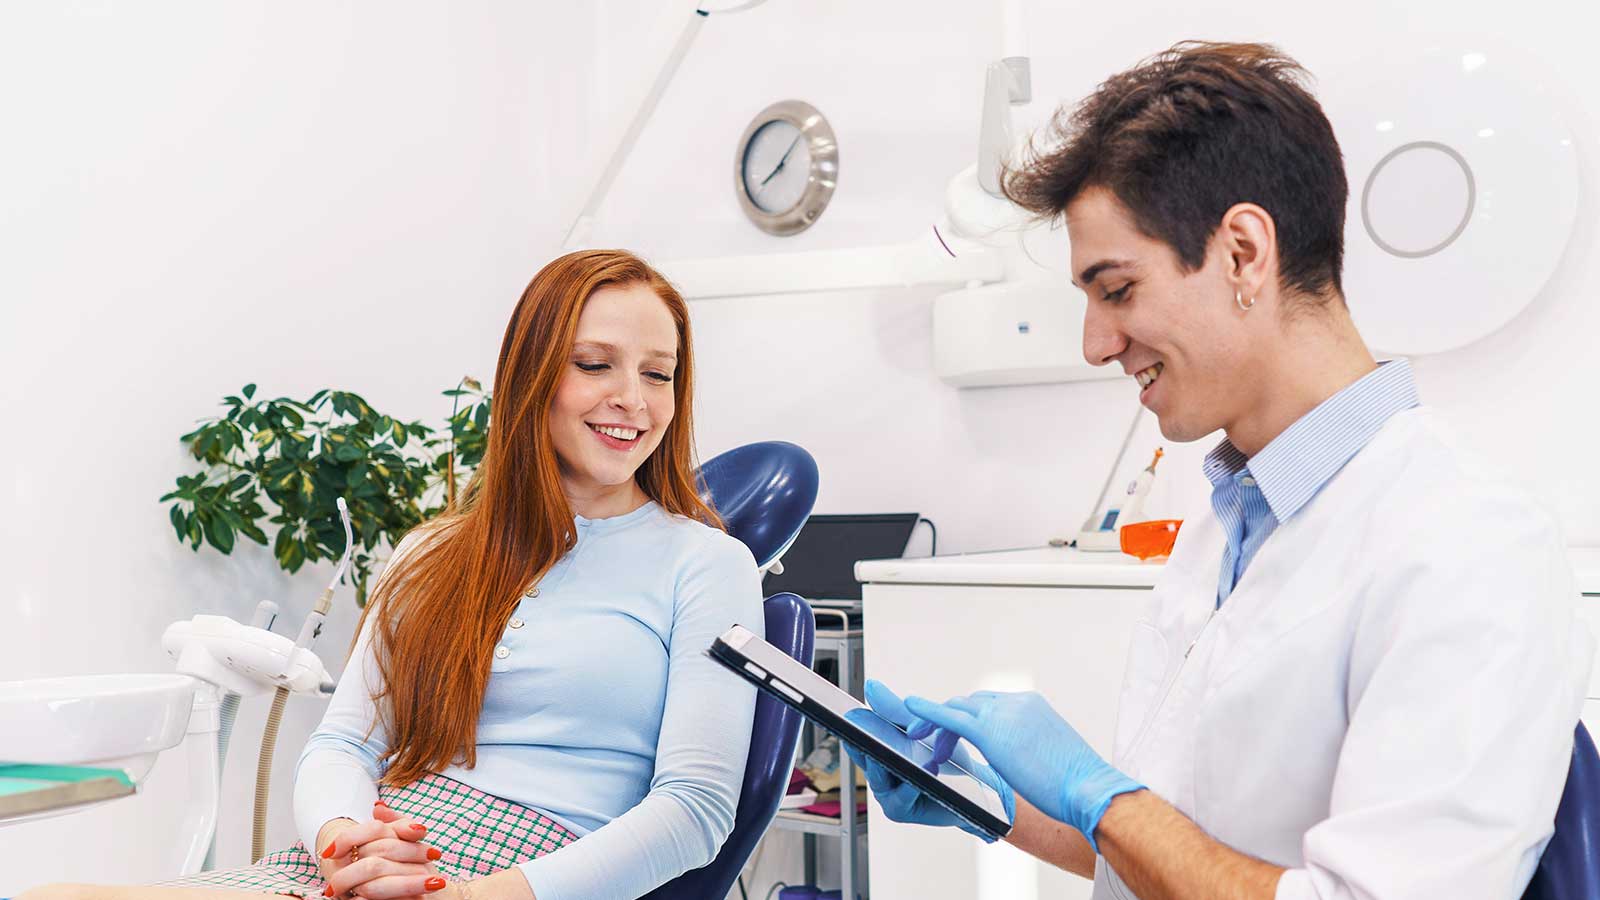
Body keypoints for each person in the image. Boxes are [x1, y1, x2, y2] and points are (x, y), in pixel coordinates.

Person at [857, 42, 1593, 900]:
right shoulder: (1227, 518)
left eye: (1118, 290)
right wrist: (997, 804)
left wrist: (1099, 796)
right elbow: (1185, 847)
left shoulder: (1469, 549)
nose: (1095, 343)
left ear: (1244, 252)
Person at [24, 249, 764, 900]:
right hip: (384, 853)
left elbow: (694, 811)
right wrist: (347, 843)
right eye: (595, 364)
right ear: (532, 376)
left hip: (536, 877)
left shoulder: (705, 565)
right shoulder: (433, 555)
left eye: (657, 374)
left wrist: (485, 899)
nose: (632, 399)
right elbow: (344, 746)